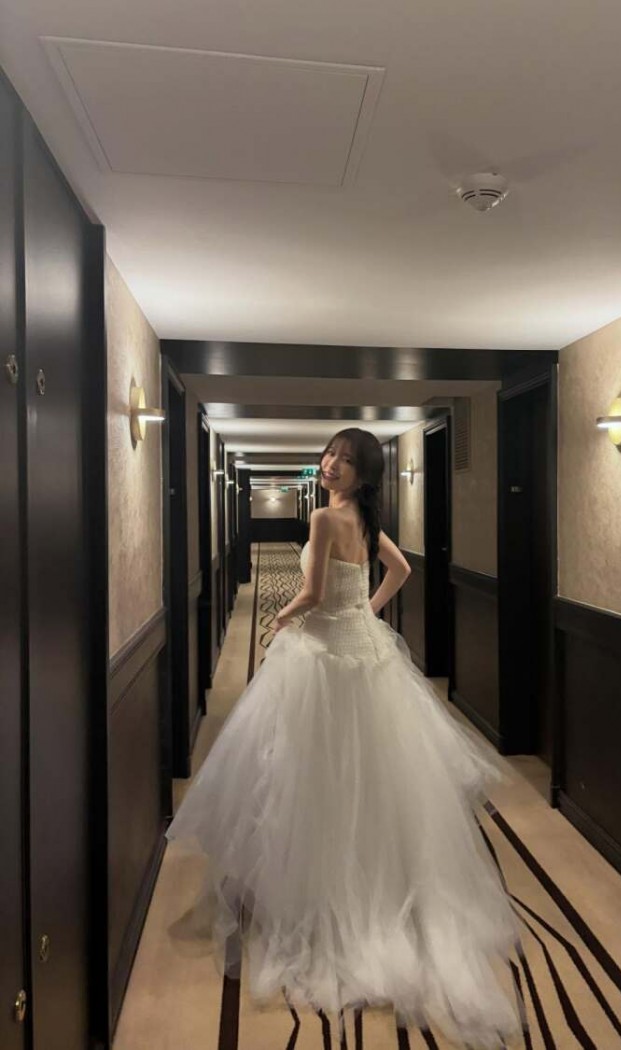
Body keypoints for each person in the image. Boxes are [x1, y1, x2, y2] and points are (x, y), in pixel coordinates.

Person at [165, 427, 525, 1047]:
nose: (332, 464)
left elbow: (310, 593)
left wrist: (281, 618)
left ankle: (327, 900)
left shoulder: (325, 518)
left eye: (347, 460)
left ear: (364, 474)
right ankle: (379, 890)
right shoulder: (365, 518)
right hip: (367, 653)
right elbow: (400, 570)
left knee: (315, 777)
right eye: (331, 454)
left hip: (326, 658)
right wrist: (368, 611)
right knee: (372, 780)